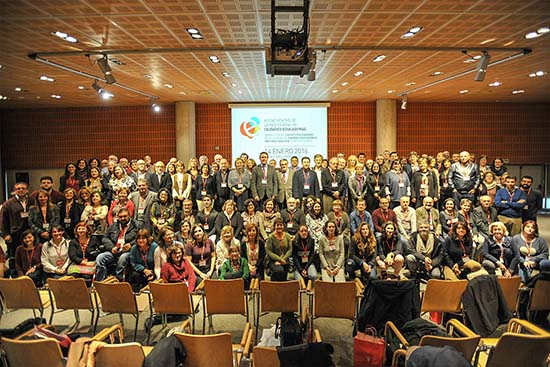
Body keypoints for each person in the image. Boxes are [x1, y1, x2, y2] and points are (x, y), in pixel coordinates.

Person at [96, 208, 138, 281]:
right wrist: (111, 247)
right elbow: (105, 238)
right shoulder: (113, 226)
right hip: (114, 251)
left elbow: (141, 239)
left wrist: (131, 244)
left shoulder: (136, 226)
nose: (123, 218)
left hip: (127, 252)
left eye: (125, 216)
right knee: (100, 258)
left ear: (129, 216)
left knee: (123, 258)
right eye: (120, 217)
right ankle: (100, 280)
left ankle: (118, 280)